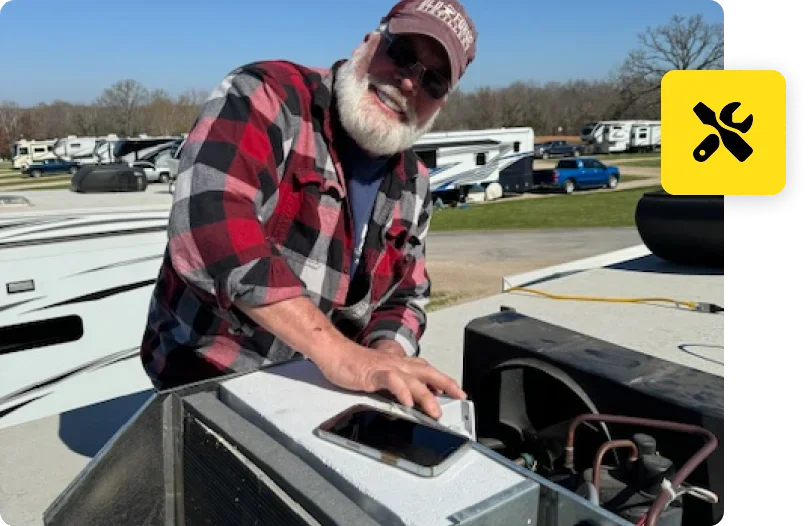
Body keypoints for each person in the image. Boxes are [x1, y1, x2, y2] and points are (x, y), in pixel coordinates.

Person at [140, 0, 478, 420]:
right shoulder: (266, 95)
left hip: (317, 399)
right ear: (370, 43)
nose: (409, 83)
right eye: (402, 54)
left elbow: (407, 295)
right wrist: (338, 354)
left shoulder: (416, 183)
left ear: (441, 102)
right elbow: (208, 222)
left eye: (434, 82)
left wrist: (387, 356)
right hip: (203, 383)